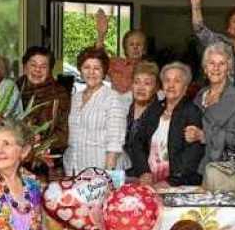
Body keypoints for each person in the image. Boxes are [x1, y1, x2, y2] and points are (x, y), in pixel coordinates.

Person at [63, 47, 127, 175]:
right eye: (86, 67)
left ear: (104, 72)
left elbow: (115, 142)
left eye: (96, 68)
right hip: (74, 166)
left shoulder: (112, 98)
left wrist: (107, 176)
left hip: (101, 168)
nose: (91, 72)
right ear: (80, 70)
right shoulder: (75, 98)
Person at [189, 43, 235, 175]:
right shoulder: (201, 94)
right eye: (212, 63)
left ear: (228, 68)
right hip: (194, 163)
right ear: (205, 68)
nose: (216, 68)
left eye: (222, 64)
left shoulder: (234, 96)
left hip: (219, 169)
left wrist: (204, 135)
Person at [16, 46, 70, 175]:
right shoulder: (14, 89)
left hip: (45, 164)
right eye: (33, 65)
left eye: (43, 66)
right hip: (14, 160)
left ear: (50, 70)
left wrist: (39, 145)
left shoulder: (59, 94)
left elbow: (64, 133)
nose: (37, 70)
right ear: (25, 66)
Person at [95, 8, 147, 102]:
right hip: (116, 109)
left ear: (144, 49)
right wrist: (101, 35)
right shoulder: (116, 63)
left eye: (139, 44)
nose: (135, 47)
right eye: (131, 44)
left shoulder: (149, 68)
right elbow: (98, 59)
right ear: (125, 48)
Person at [122, 61, 164, 179]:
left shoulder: (161, 112)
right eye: (137, 82)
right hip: (123, 170)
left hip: (149, 175)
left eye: (147, 83)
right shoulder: (124, 107)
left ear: (156, 88)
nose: (141, 88)